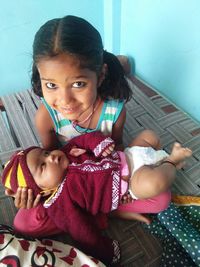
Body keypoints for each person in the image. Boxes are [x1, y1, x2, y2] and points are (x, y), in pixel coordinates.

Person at [4, 15, 173, 234]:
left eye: (78, 84)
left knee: (162, 198)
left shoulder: (113, 112)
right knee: (24, 223)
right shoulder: (46, 116)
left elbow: (118, 148)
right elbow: (49, 158)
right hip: (69, 190)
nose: (64, 100)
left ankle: (106, 209)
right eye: (51, 85)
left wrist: (124, 184)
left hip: (108, 179)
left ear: (100, 75)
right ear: (41, 78)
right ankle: (108, 212)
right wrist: (31, 191)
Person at [1, 131, 192, 265]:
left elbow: (84, 139)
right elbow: (83, 233)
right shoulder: (60, 205)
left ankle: (160, 159)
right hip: (130, 183)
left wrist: (100, 145)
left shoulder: (68, 152)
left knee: (150, 136)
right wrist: (106, 252)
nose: (51, 157)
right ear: (40, 191)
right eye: (43, 166)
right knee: (158, 190)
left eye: (46, 152)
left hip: (127, 156)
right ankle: (171, 161)